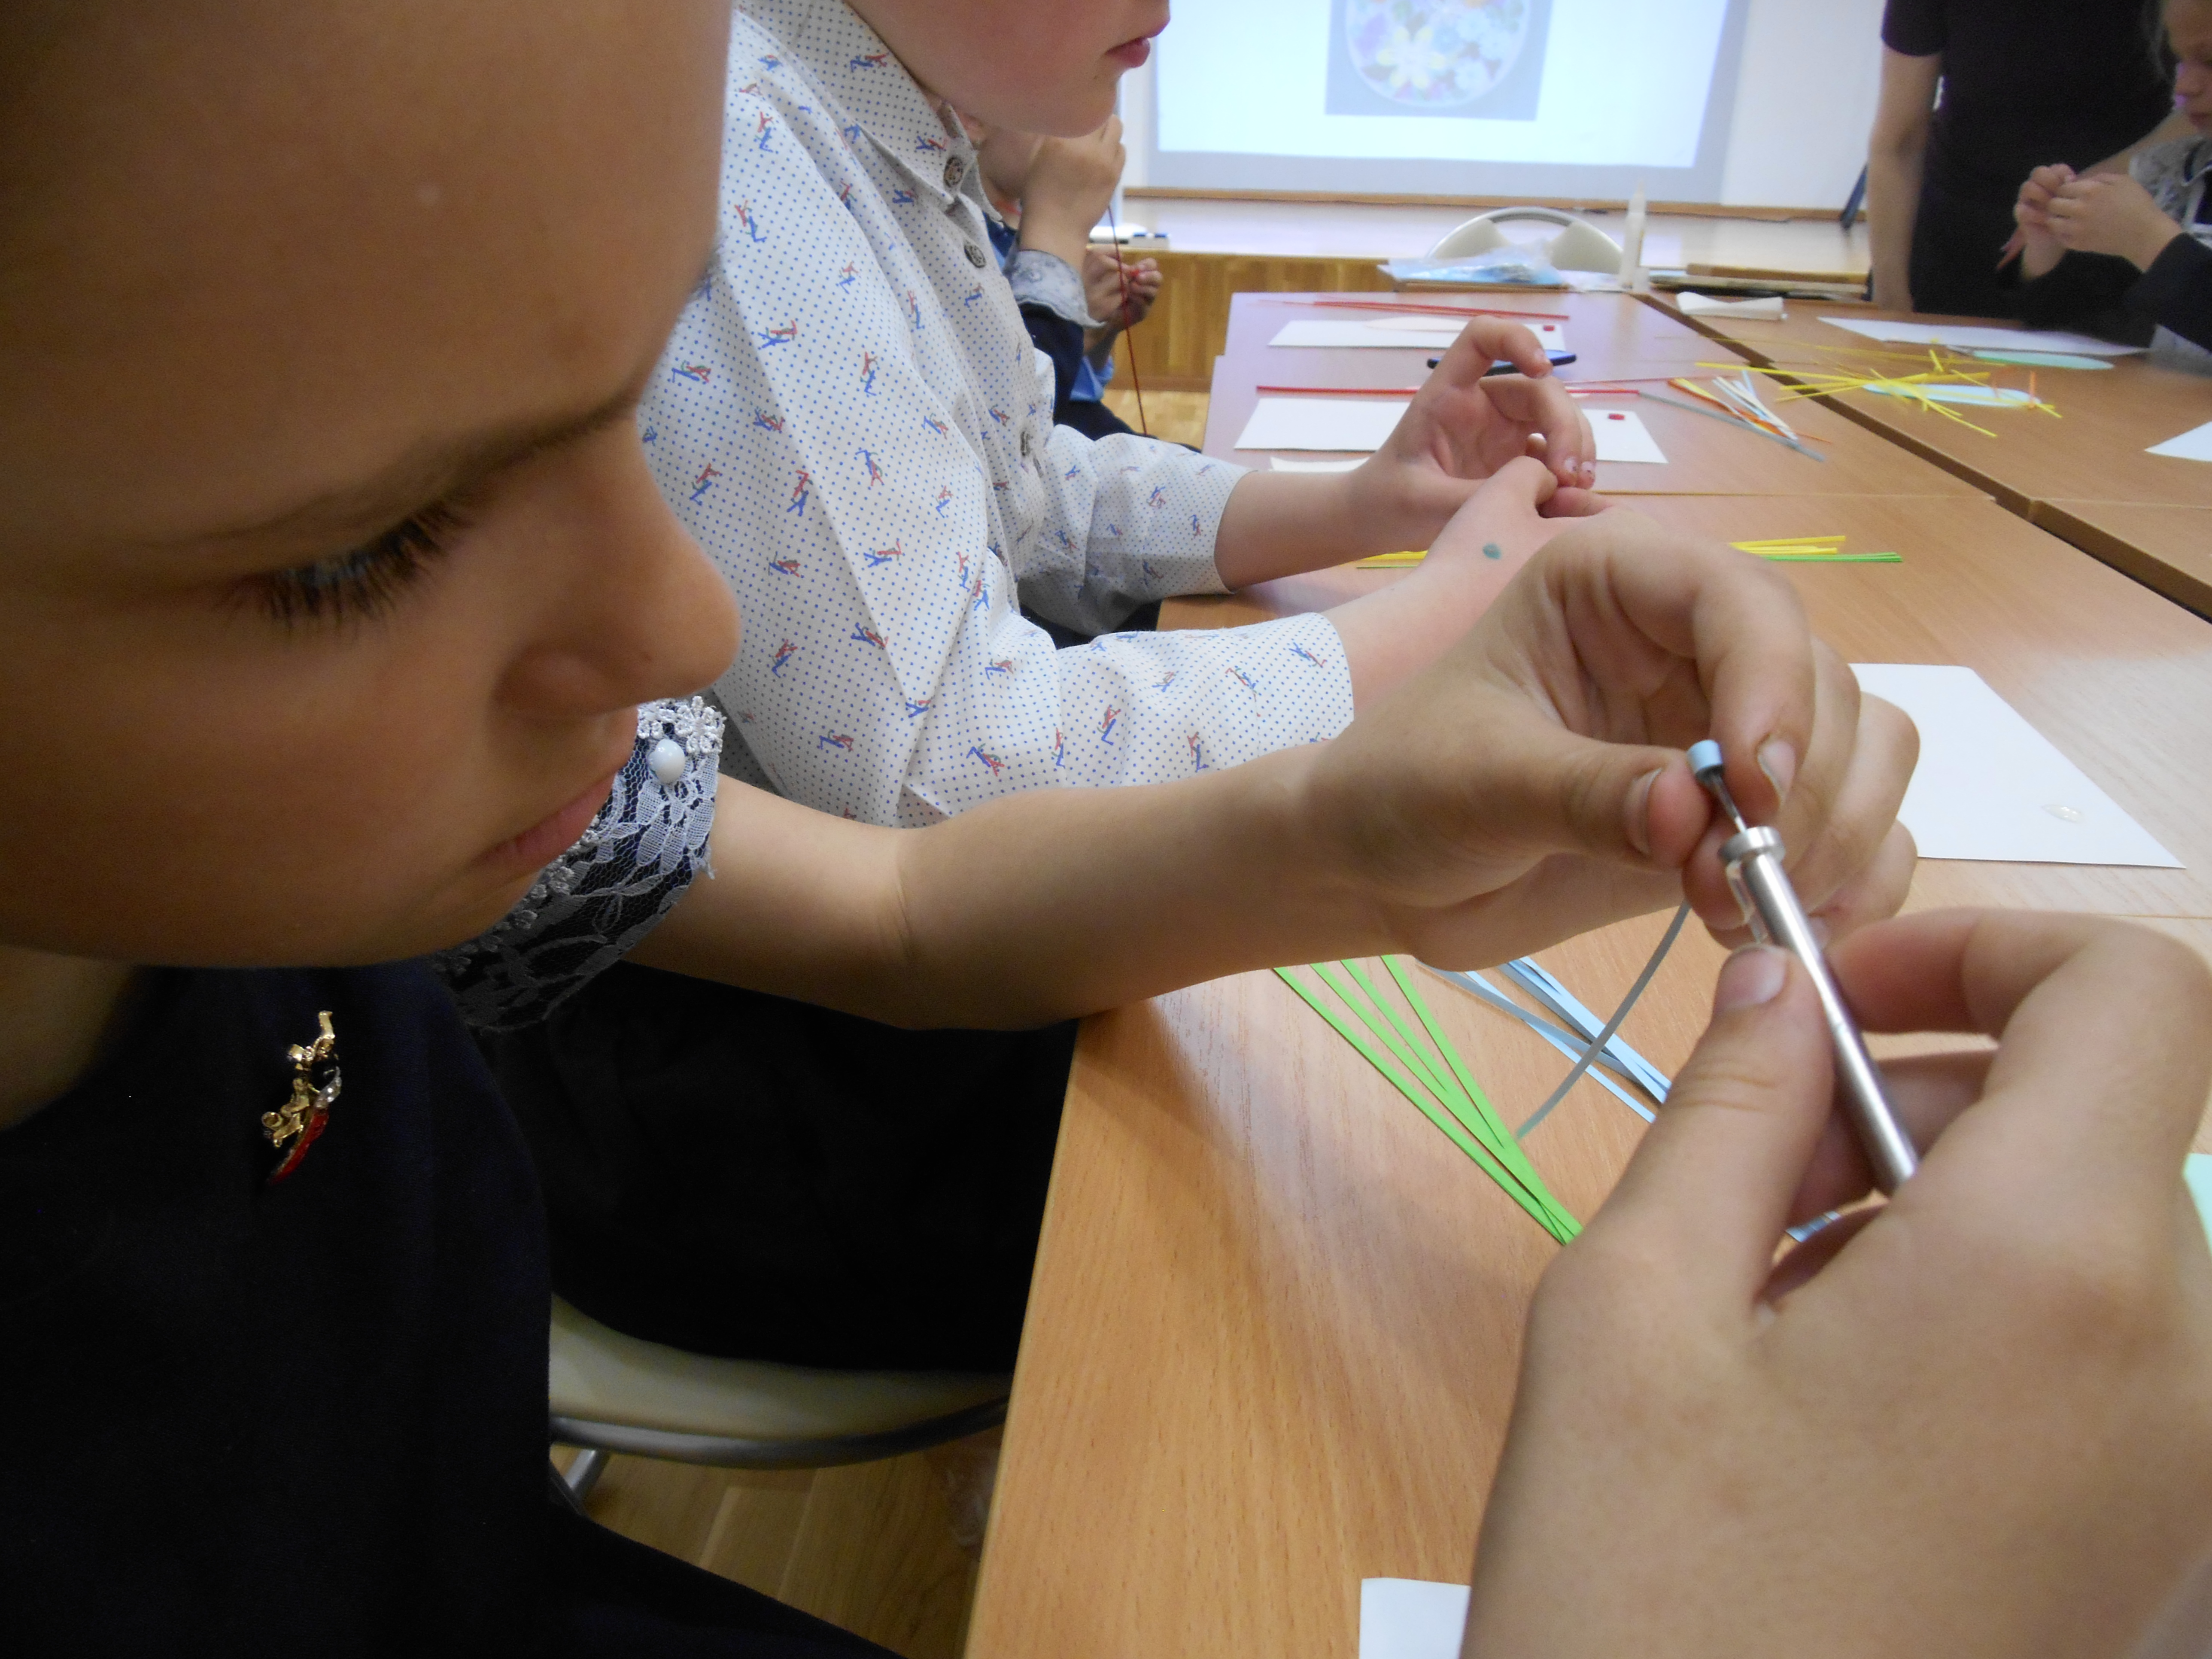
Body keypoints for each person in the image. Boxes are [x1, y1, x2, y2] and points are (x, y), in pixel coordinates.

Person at [8, 8, 2212, 1651]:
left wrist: (1381, 844)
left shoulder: (328, 861)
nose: (680, 618)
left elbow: (900, 901)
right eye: (371, 546)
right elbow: (927, 782)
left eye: (625, 420)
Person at [642, 0, 1599, 826]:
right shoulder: (748, 151)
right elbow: (942, 773)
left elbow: (1030, 498)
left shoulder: (870, 125)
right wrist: (1452, 617)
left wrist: (1367, 503)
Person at [1866, 0, 2190, 317]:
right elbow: (1900, 142)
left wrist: (2079, 193)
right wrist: (1892, 299)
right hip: (1955, 226)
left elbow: (2200, 113)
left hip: (2111, 228)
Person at [2009, 0, 2212, 369]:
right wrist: (2049, 246)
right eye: (2180, 60)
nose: (2184, 86)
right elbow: (2069, 319)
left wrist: (2151, 244)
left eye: (2211, 61)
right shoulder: (2173, 174)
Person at [971, 115, 1159, 444]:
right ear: (972, 120)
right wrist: (1080, 330)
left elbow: (1082, 391)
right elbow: (1008, 418)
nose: (1067, 144)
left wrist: (1105, 329)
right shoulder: (965, 245)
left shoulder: (1019, 236)